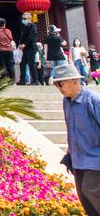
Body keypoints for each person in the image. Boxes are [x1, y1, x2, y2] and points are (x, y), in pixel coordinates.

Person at [54, 64, 100, 216]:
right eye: (56, 84)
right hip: (77, 158)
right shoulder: (66, 101)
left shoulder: (93, 100)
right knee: (84, 198)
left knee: (91, 189)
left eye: (61, 83)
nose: (59, 87)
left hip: (95, 158)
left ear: (74, 81)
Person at [18, 12, 38, 86]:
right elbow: (22, 37)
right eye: (23, 18)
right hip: (25, 49)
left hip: (31, 47)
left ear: (30, 18)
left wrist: (24, 44)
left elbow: (32, 36)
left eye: (25, 18)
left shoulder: (32, 25)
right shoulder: (25, 26)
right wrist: (20, 44)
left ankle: (35, 81)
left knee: (31, 64)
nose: (23, 20)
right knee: (22, 64)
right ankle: (22, 80)